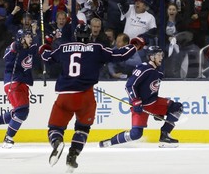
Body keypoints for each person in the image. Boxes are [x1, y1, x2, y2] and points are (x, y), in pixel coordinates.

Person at [39, 23, 145, 172]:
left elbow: (47, 58)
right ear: (89, 36)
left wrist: (44, 47)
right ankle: (72, 156)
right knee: (82, 129)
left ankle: (57, 141)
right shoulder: (96, 48)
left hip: (65, 96)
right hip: (85, 96)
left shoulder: (63, 48)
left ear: (75, 35)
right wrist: (135, 45)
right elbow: (119, 55)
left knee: (55, 128)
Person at [99, 46, 183, 148]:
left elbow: (154, 88)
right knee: (136, 134)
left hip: (154, 102)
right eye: (158, 55)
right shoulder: (143, 68)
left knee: (177, 107)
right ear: (151, 57)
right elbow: (130, 85)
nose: (161, 57)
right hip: (141, 106)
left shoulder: (159, 71)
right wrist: (135, 100)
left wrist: (158, 112)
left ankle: (164, 136)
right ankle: (110, 142)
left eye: (162, 55)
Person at [0, 29, 38, 148]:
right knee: (21, 112)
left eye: (30, 36)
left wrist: (45, 35)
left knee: (22, 111)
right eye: (28, 36)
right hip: (13, 83)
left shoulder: (30, 48)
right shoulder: (13, 48)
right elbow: (8, 55)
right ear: (21, 38)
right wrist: (16, 45)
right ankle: (8, 138)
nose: (30, 38)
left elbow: (39, 46)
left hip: (22, 83)